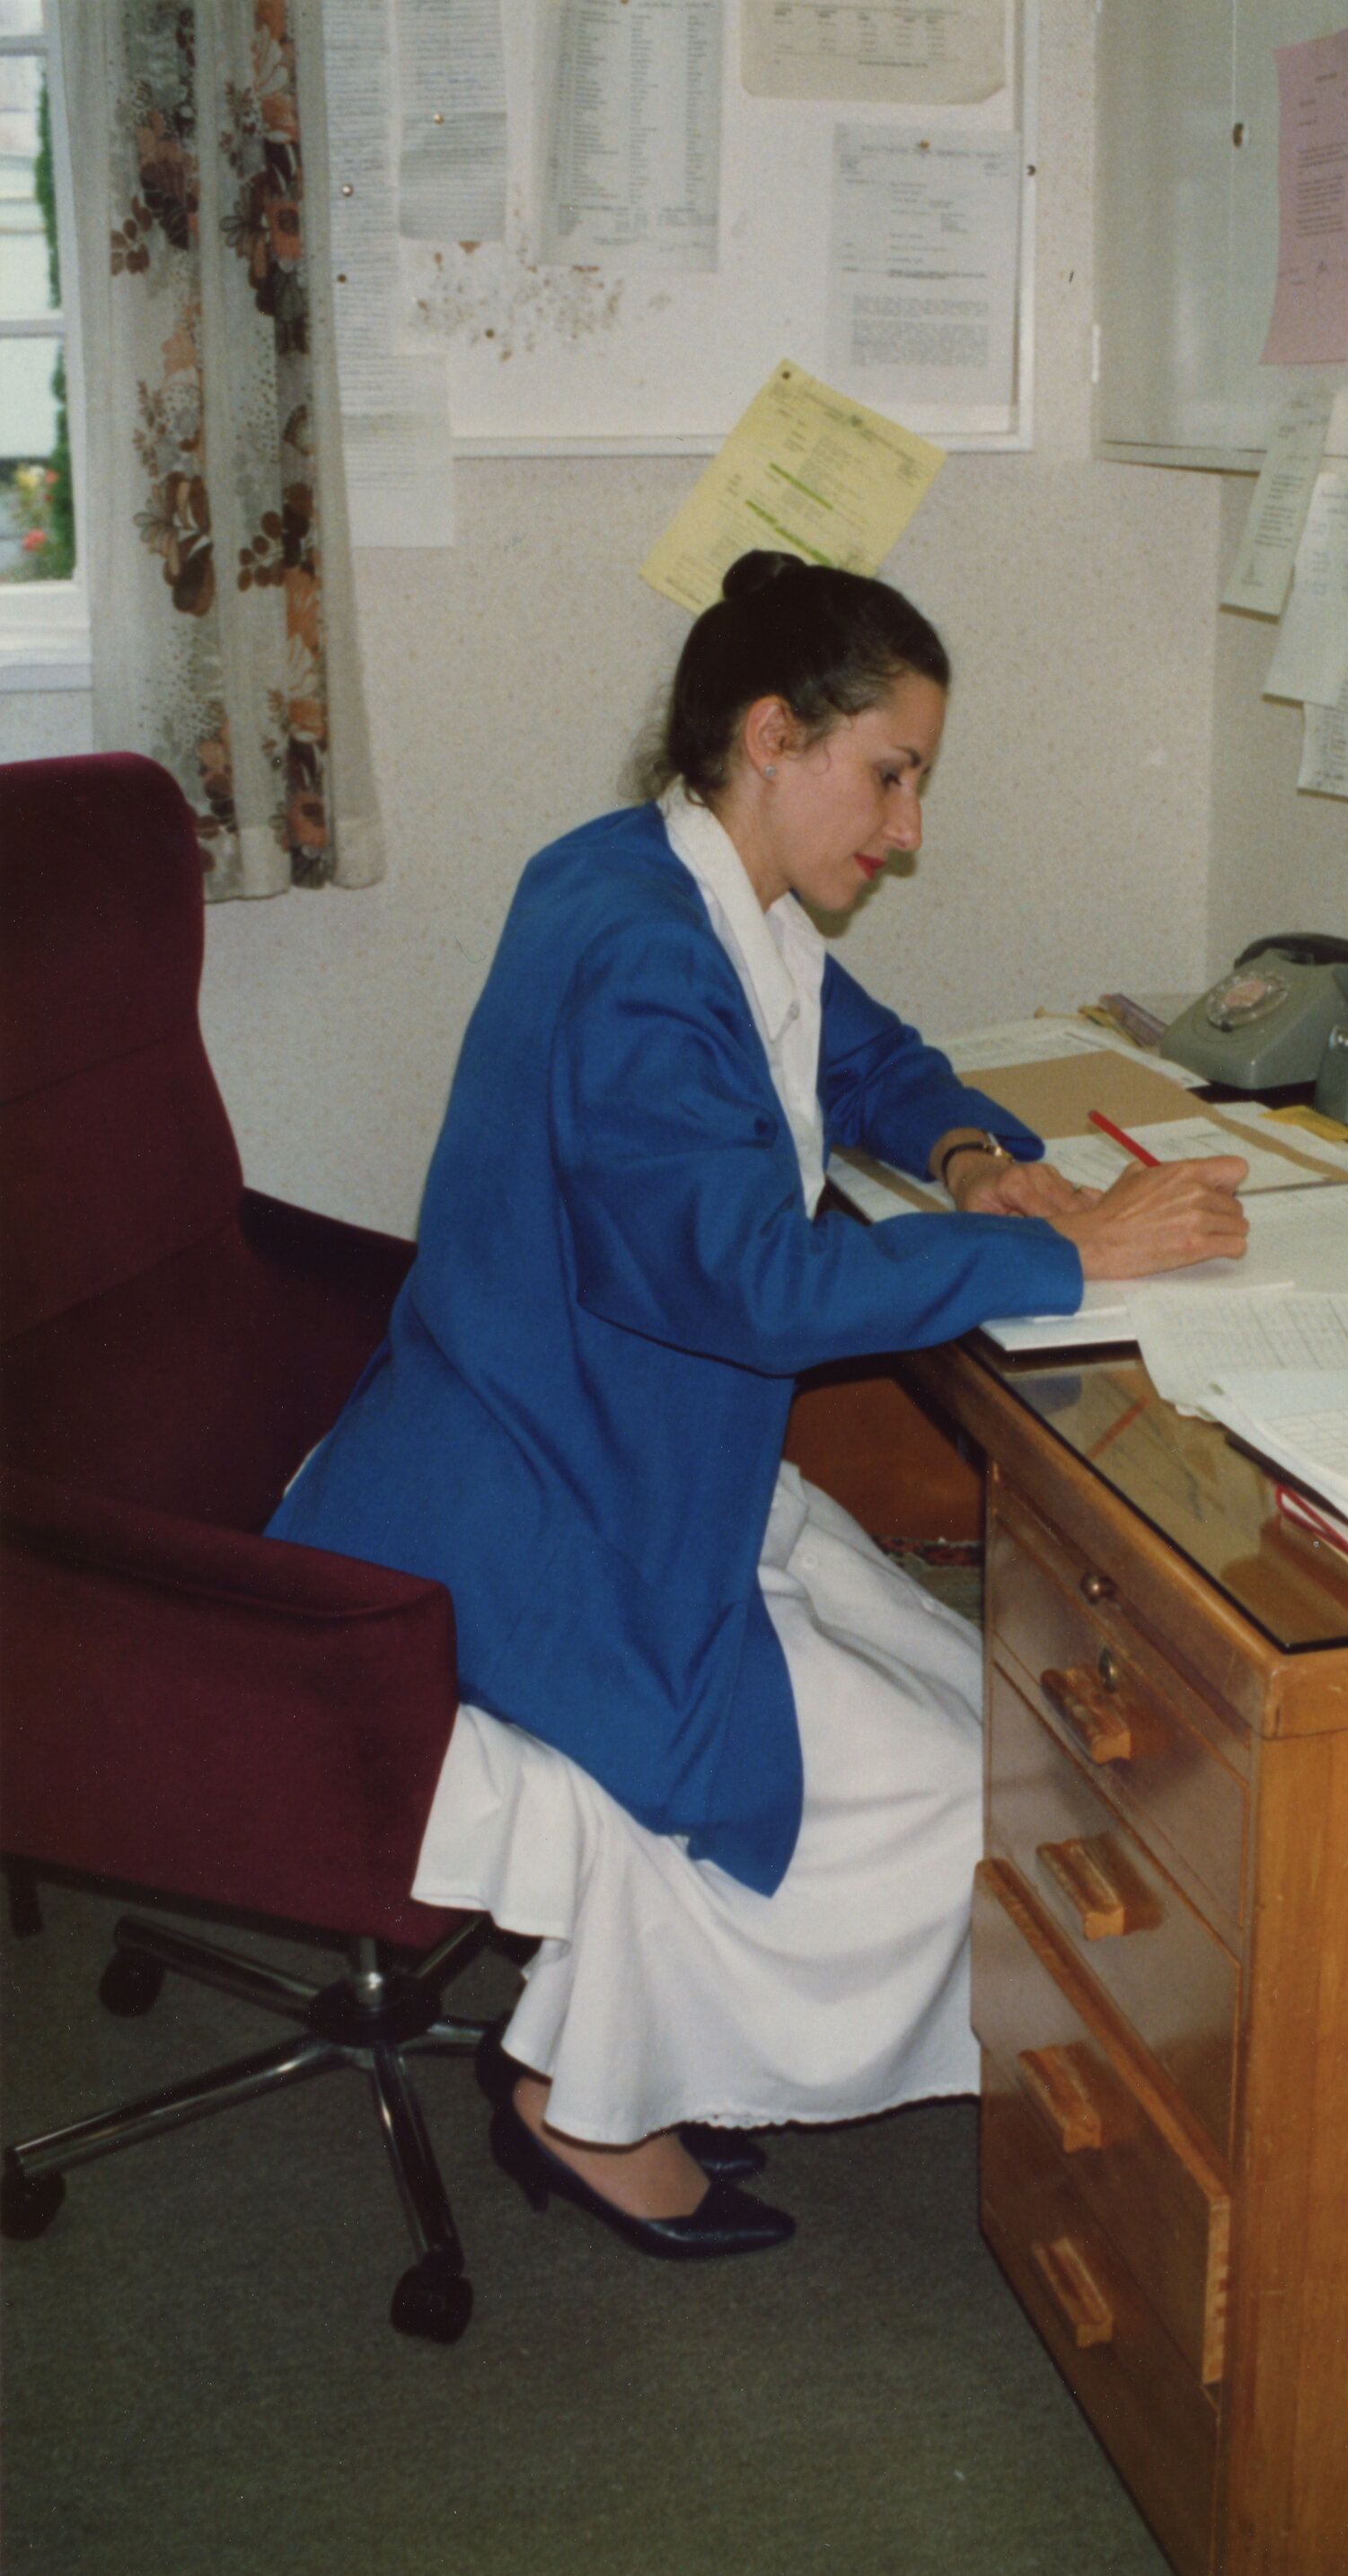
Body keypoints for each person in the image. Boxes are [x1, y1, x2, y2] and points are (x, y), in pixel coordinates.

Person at [268, 551, 1250, 2260]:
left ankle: (639, 2048)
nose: (909, 827)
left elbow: (854, 1050)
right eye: (891, 773)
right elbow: (756, 1290)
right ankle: (590, 2104)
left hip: (569, 1439)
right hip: (544, 1519)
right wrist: (1075, 1256)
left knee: (972, 1691)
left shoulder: (660, 877)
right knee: (966, 1784)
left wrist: (964, 1152)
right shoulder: (648, 963)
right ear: (772, 733)